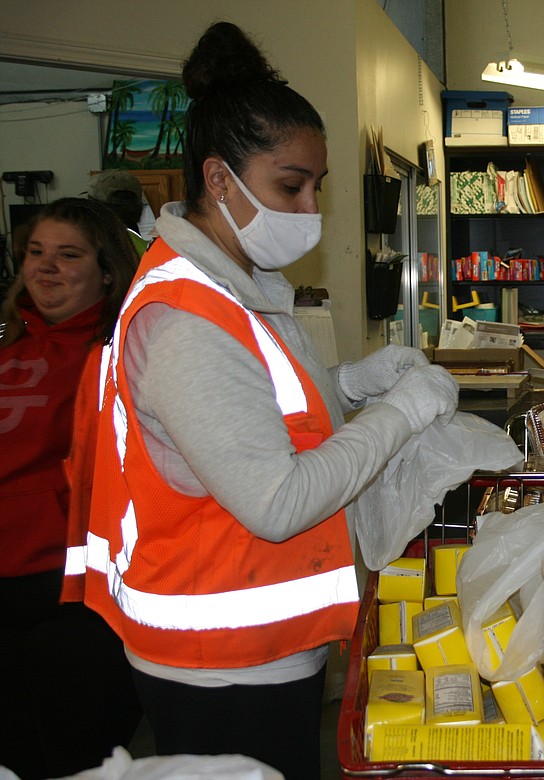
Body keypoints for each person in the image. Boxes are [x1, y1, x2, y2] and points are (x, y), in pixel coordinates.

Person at [64, 21, 459, 780]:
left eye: (317, 185)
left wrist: (352, 383)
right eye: (291, 185)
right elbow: (277, 499)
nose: (311, 206)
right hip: (222, 664)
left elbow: (257, 418)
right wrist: (401, 413)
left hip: (256, 644)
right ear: (218, 179)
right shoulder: (189, 320)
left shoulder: (235, 289)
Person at [0, 197, 141, 779]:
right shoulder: (9, 343)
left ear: (106, 269)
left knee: (76, 759)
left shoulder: (122, 353)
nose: (46, 268)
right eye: (36, 253)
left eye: (68, 255)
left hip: (74, 596)